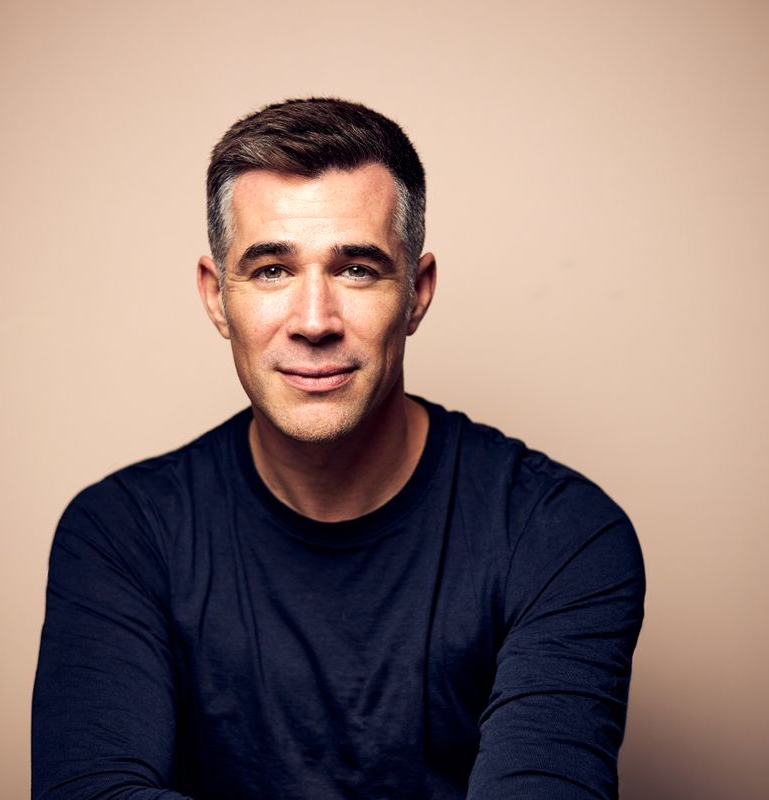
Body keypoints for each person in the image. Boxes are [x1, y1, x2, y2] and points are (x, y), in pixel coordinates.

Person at [31, 98, 645, 800]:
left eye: (357, 269)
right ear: (216, 296)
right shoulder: (122, 534)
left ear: (417, 294)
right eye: (271, 270)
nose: (314, 321)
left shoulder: (560, 534)